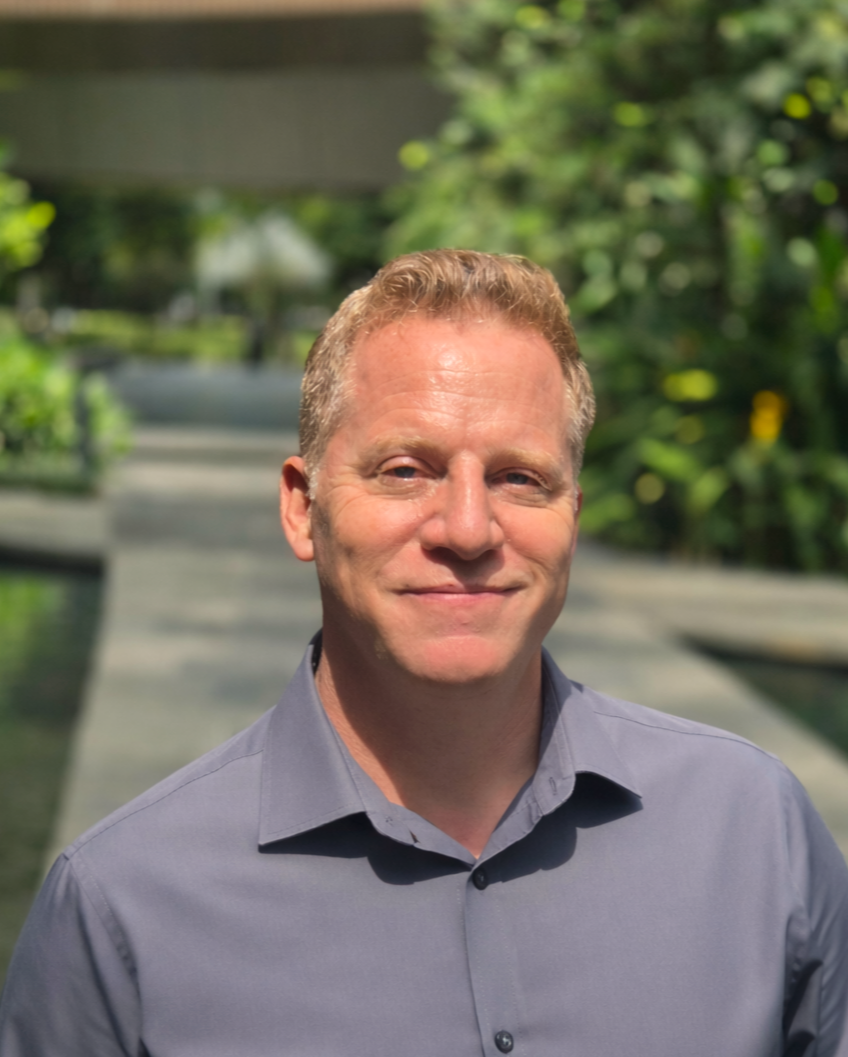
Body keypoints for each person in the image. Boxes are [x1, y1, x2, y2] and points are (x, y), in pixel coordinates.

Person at [1, 249, 847, 1057]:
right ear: (302, 508)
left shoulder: (753, 838)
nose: (468, 529)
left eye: (521, 478)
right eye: (407, 470)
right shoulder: (125, 911)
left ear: (574, 519)